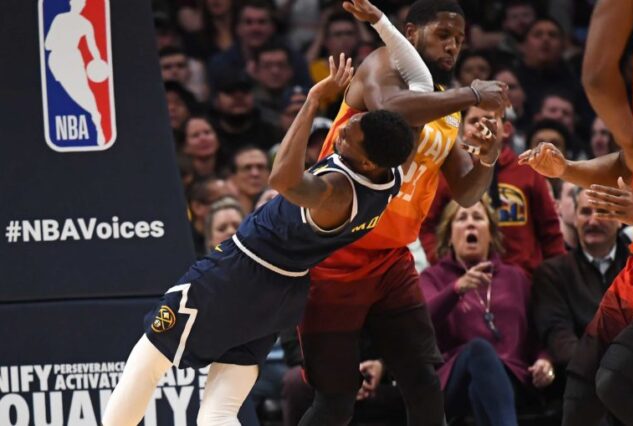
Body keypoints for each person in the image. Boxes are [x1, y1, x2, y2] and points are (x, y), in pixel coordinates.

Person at [101, 54, 417, 426]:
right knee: (218, 412)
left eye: (352, 135)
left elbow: (281, 178)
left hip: (238, 275)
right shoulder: (390, 173)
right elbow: (411, 105)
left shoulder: (336, 191)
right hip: (282, 294)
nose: (343, 130)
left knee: (148, 357)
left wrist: (314, 99)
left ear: (366, 163)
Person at [297, 1, 508, 425]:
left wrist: (488, 157)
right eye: (443, 35)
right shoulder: (381, 64)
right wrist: (471, 95)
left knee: (423, 382)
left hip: (392, 259)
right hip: (337, 253)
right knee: (336, 399)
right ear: (411, 33)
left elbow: (466, 193)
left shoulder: (445, 105)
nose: (453, 47)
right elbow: (390, 111)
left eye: (459, 40)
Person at [518, 0, 633, 422]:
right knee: (582, 391)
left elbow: (596, 79)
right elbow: (629, 163)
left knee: (616, 382)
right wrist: (567, 169)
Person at [420, 196, 554, 426]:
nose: (470, 223)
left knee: (479, 390)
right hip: (453, 380)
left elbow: (535, 336)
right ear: (449, 236)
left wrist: (544, 360)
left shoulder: (516, 278)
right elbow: (421, 324)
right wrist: (456, 289)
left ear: (491, 234)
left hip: (512, 376)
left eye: (478, 218)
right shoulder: (433, 278)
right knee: (479, 350)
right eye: (461, 218)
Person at [419, 106, 565, 276]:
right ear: (462, 131)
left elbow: (550, 233)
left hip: (524, 284)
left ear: (507, 130)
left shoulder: (529, 172)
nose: (482, 127)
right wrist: (444, 264)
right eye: (474, 121)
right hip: (462, 281)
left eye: (490, 120)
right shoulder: (449, 175)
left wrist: (555, 278)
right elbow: (426, 226)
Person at [532, 187, 629, 369]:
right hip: (580, 382)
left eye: (602, 211)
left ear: (620, 221)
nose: (593, 221)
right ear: (575, 219)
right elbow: (559, 340)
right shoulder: (552, 274)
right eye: (585, 212)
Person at [44, 0, 107, 145]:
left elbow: (93, 47)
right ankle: (95, 116)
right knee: (68, 93)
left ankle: (96, 120)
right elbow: (47, 44)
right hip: (58, 60)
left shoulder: (84, 23)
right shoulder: (61, 18)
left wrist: (97, 61)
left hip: (71, 59)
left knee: (82, 91)